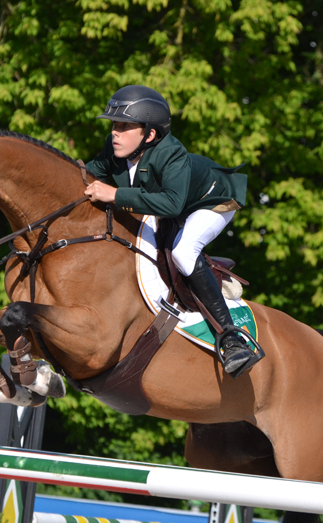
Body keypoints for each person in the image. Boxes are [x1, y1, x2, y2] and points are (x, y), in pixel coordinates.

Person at [83, 85, 259, 377]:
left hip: (212, 201)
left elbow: (171, 204)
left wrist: (114, 195)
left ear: (149, 135)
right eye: (115, 124)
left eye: (125, 126)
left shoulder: (171, 153)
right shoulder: (115, 149)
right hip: (173, 200)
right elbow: (88, 175)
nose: (115, 132)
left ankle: (232, 339)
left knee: (183, 249)